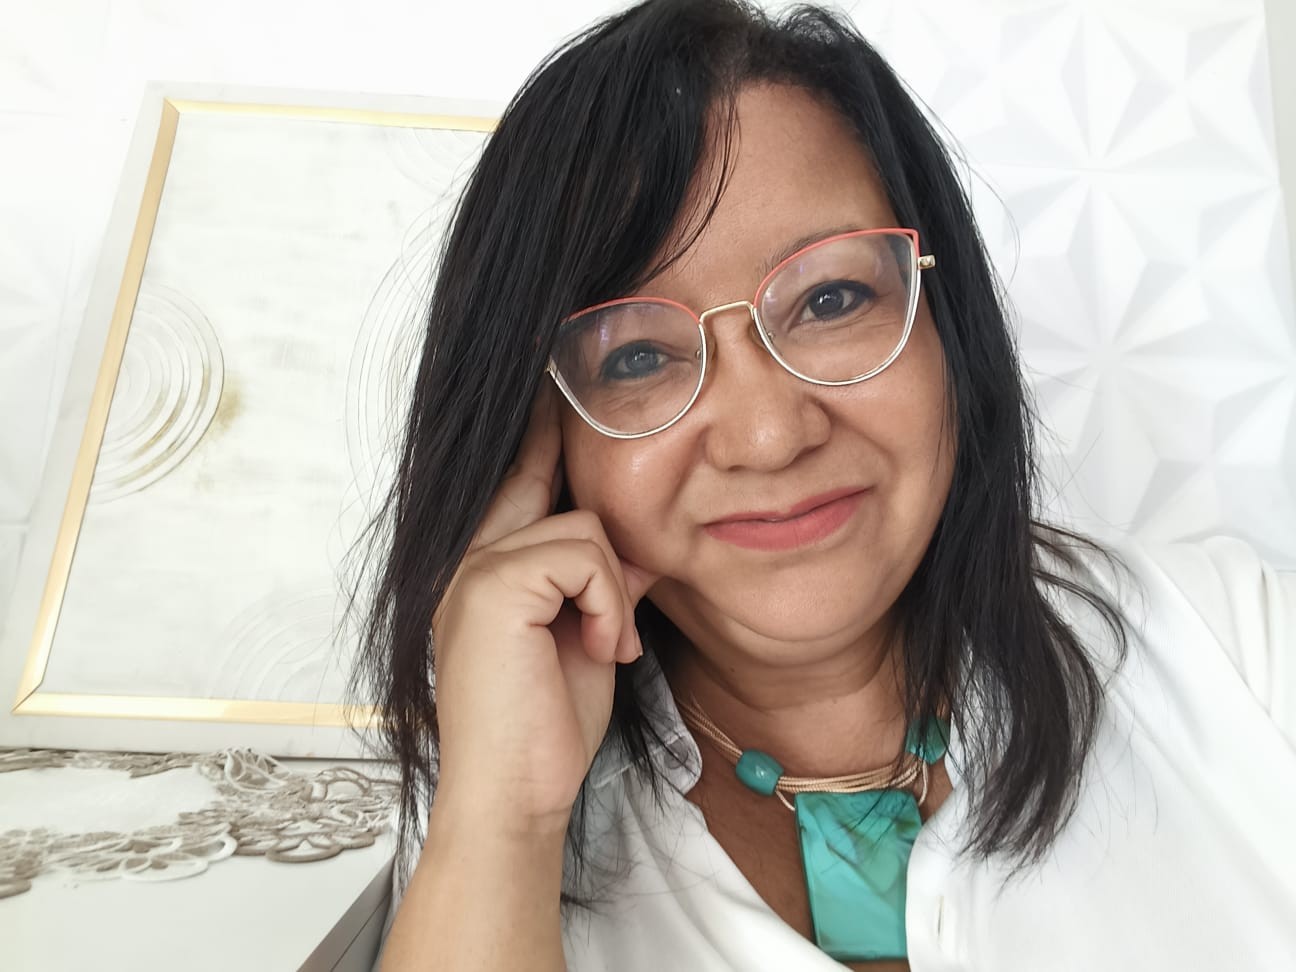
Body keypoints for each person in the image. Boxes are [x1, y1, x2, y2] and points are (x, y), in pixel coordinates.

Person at [352, 1, 1296, 969]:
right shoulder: (497, 781)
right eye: (638, 357)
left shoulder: (1239, 648)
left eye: (832, 299)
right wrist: (504, 819)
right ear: (540, 436)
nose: (768, 436)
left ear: (946, 319)